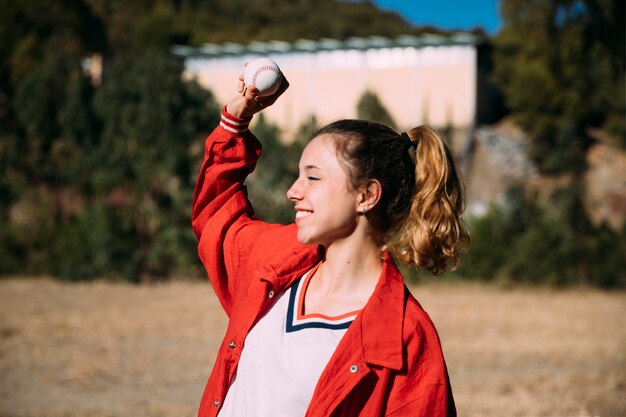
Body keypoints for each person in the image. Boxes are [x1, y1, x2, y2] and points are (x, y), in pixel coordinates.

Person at [191, 68, 469, 417]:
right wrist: (235, 124)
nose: (293, 191)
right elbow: (217, 213)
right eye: (298, 176)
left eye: (313, 177)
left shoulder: (405, 337)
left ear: (367, 195)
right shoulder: (274, 262)